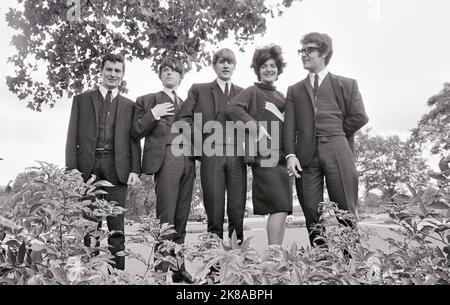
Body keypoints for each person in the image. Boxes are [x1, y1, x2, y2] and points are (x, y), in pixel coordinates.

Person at [284, 32, 369, 247]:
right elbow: (289, 127)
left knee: (345, 211)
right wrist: (290, 154)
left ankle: (351, 264)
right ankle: (322, 263)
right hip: (305, 157)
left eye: (308, 50)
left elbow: (360, 116)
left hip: (338, 150)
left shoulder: (346, 84)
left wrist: (337, 133)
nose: (303, 54)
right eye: (301, 51)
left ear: (324, 53)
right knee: (312, 212)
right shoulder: (294, 90)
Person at [65, 53, 141, 270]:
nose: (113, 74)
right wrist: (71, 171)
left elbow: (134, 140)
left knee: (117, 229)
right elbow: (72, 137)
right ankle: (89, 275)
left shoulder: (130, 105)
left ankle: (118, 276)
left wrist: (135, 169)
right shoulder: (81, 100)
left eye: (118, 71)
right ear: (101, 71)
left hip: (117, 169)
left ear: (123, 74)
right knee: (89, 227)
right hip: (87, 169)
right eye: (109, 69)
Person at [131, 57, 195, 283]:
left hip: (188, 160)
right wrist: (154, 113)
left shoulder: (188, 102)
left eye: (174, 70)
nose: (169, 73)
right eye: (165, 70)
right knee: (165, 219)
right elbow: (135, 131)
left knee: (181, 219)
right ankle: (159, 273)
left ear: (180, 77)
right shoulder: (148, 100)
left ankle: (179, 269)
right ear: (160, 75)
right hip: (166, 159)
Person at [178, 48, 247, 245]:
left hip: (237, 156)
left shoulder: (243, 93)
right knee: (214, 215)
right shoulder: (198, 90)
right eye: (221, 61)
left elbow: (252, 125)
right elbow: (183, 119)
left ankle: (238, 267)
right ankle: (214, 270)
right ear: (214, 65)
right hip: (211, 155)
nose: (225, 65)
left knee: (237, 213)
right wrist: (201, 144)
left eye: (230, 62)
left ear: (234, 66)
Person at [226, 44, 293, 246]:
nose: (269, 69)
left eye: (273, 65)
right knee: (279, 206)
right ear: (258, 69)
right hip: (266, 156)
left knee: (283, 208)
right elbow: (232, 109)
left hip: (284, 159)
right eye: (264, 66)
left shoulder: (282, 96)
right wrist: (254, 127)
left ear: (279, 69)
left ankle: (276, 256)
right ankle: (273, 257)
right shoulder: (252, 91)